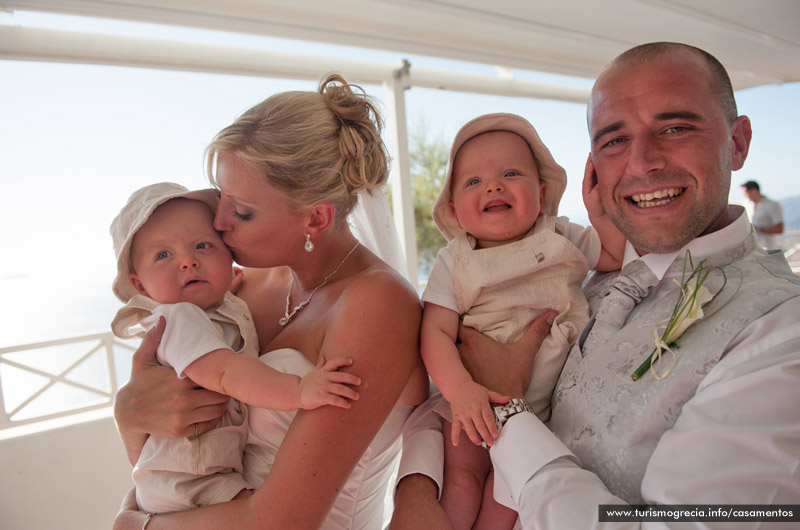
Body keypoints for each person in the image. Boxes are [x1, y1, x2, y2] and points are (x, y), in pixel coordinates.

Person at [391, 42, 800, 530]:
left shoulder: (779, 334)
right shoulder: (570, 269)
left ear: (737, 143)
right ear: (593, 168)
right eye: (614, 141)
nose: (643, 162)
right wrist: (416, 486)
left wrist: (509, 411)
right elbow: (445, 378)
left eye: (675, 127)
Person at [113, 74, 428, 529]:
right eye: (220, 198)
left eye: (241, 211)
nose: (217, 224)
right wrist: (129, 413)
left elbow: (283, 519)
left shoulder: (376, 304)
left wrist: (137, 526)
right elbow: (178, 454)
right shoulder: (240, 286)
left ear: (316, 218)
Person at [420, 113, 623, 529]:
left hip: (542, 409)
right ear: (455, 210)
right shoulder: (455, 259)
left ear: (542, 191)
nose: (494, 185)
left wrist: (598, 213)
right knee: (460, 483)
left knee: (512, 496)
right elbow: (435, 333)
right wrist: (460, 391)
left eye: (511, 173)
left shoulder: (561, 234)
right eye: (473, 181)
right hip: (471, 399)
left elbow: (615, 256)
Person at [109, 182, 362, 514]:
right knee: (265, 517)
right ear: (140, 285)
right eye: (163, 255)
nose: (187, 262)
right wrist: (299, 390)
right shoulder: (178, 319)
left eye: (203, 246)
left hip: (204, 473)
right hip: (187, 482)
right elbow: (226, 372)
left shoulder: (219, 307)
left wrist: (224, 288)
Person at [741, 180, 784, 250]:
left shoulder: (772, 205)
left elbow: (780, 229)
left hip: (767, 248)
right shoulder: (747, 205)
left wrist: (758, 229)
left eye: (746, 192)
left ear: (754, 191)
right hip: (751, 249)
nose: (744, 195)